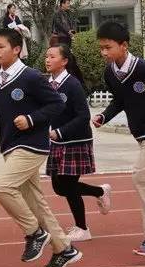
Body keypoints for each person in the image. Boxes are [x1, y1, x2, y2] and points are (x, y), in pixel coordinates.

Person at [0, 28, 81, 267]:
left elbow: (56, 104)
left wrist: (32, 119)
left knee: (2, 187)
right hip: (9, 146)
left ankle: (34, 233)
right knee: (37, 204)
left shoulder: (31, 77)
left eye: (1, 46)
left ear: (16, 49)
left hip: (32, 145)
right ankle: (64, 249)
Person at [92, 21, 145, 257]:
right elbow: (120, 101)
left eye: (108, 47)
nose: (103, 52)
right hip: (142, 134)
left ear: (124, 46)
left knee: (142, 177)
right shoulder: (110, 73)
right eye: (101, 48)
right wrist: (104, 115)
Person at [44, 45, 111, 243]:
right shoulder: (47, 84)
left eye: (52, 56)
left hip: (76, 140)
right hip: (57, 141)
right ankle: (100, 191)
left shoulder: (72, 85)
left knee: (69, 185)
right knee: (59, 187)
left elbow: (83, 116)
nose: (47, 59)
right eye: (46, 56)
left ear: (64, 61)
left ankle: (82, 228)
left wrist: (60, 132)